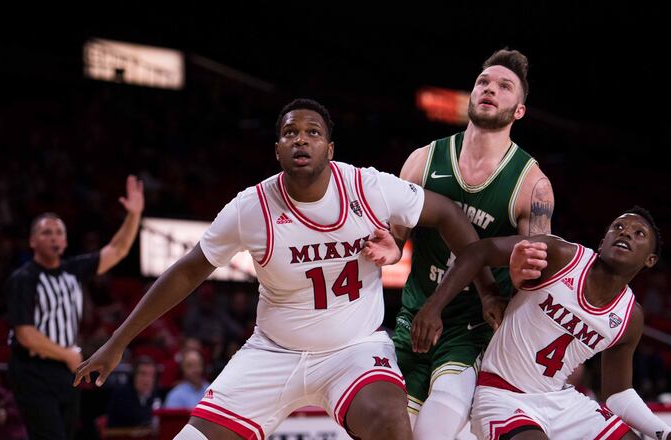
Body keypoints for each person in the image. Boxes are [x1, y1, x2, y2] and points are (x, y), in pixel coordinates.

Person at [73, 99, 488, 440]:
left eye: (313, 133)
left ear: (330, 148)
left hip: (354, 350)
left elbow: (449, 213)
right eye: (290, 133)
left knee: (390, 423)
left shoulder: (369, 186)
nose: (300, 140)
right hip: (273, 352)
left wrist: (481, 292)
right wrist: (117, 341)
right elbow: (186, 272)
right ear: (277, 150)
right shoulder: (250, 208)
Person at [411, 207, 671, 439]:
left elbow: (617, 394)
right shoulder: (561, 256)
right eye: (618, 227)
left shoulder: (630, 317)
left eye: (639, 233)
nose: (626, 233)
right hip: (503, 394)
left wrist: (666, 433)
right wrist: (433, 307)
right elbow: (479, 251)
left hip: (560, 400)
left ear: (650, 261)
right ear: (602, 241)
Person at [390, 48, 554, 439]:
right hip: (413, 316)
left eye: (504, 86)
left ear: (519, 111)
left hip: (474, 327)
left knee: (433, 432)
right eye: (483, 82)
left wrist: (521, 278)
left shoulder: (533, 185)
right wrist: (387, 245)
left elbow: (536, 280)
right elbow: (394, 245)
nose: (490, 89)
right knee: (384, 429)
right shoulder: (422, 160)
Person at [4, 175, 144, 440]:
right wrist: (68, 355)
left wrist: (134, 215)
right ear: (33, 242)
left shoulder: (73, 270)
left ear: (65, 241)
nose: (54, 237)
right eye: (46, 232)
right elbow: (25, 334)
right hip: (32, 369)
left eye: (59, 232)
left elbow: (118, 249)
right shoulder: (23, 279)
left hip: (66, 370)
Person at [107, 356, 160, 428]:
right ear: (134, 376)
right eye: (142, 374)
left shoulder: (155, 394)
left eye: (150, 375)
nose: (146, 379)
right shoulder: (122, 395)